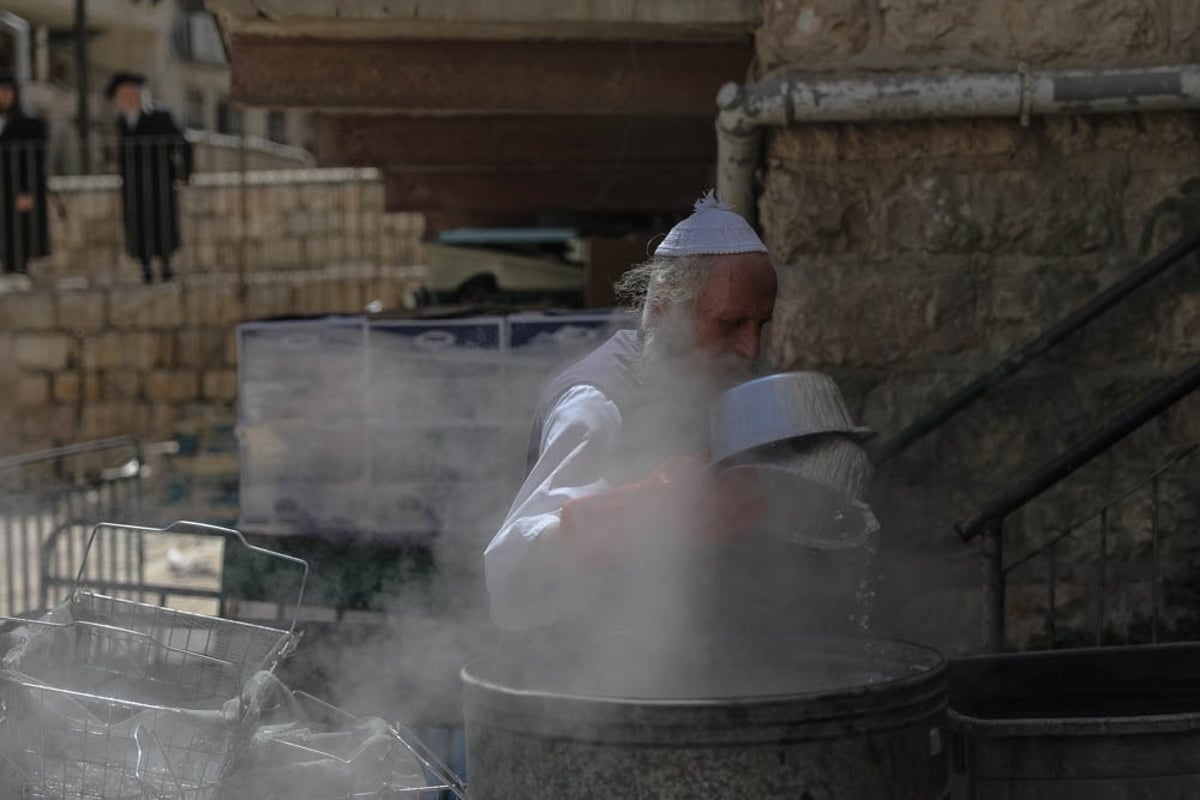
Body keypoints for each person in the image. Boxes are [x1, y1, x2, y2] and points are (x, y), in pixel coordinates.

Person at [485, 191, 779, 633]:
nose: (751, 348)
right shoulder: (597, 404)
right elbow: (510, 574)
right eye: (731, 324)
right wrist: (647, 512)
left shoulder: (707, 386)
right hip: (592, 684)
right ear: (664, 306)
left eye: (761, 325)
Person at [107, 72, 192, 284]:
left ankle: (165, 265)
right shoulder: (123, 122)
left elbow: (182, 144)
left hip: (159, 182)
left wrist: (183, 174)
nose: (126, 99)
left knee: (162, 222)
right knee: (137, 224)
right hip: (133, 185)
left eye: (130, 93)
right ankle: (144, 266)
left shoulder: (160, 116)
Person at [0, 71, 49, 276]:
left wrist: (27, 190)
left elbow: (33, 161)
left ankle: (18, 270)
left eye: (6, 92)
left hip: (16, 187)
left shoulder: (28, 124)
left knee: (18, 233)